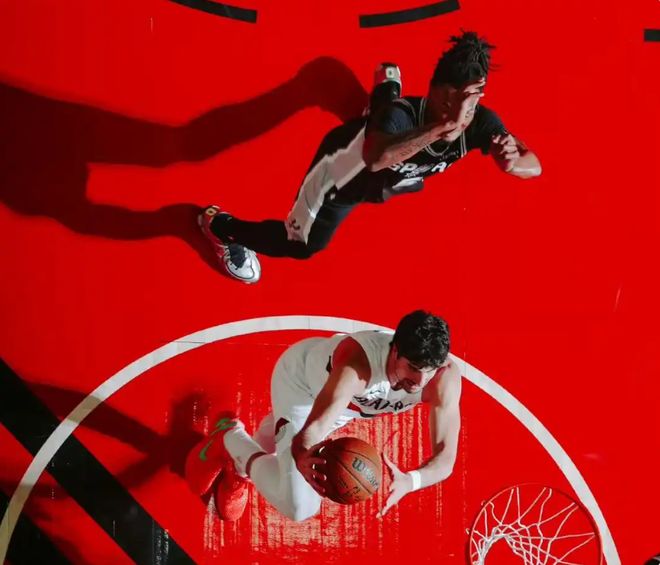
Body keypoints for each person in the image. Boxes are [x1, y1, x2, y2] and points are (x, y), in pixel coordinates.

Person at [198, 31, 542, 283]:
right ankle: (220, 229)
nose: (469, 113)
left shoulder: (478, 121)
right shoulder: (404, 117)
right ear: (441, 96)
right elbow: (376, 158)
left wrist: (511, 162)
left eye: (476, 100)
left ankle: (385, 87)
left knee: (387, 139)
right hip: (343, 174)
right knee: (303, 244)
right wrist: (445, 127)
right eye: (463, 101)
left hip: (394, 180)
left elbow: (534, 165)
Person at [184, 310, 462, 522]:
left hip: (343, 406)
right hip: (300, 388)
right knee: (300, 507)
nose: (420, 381)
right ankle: (230, 440)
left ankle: (246, 455)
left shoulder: (442, 378)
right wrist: (302, 455)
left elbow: (446, 458)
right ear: (395, 350)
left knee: (272, 447)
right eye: (413, 368)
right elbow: (309, 433)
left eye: (429, 370)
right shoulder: (358, 368)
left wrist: (411, 481)